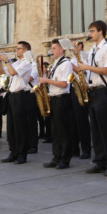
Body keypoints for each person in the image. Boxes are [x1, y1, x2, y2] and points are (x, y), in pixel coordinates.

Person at [79, 20, 107, 177]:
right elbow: (91, 72)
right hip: (94, 91)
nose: (90, 34)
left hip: (104, 91)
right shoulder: (93, 49)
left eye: (92, 30)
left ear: (101, 31)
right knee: (95, 129)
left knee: (105, 129)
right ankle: (99, 161)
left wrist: (87, 67)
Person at [40, 39, 74, 169]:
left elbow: (64, 84)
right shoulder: (55, 64)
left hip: (62, 99)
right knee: (55, 130)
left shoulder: (66, 64)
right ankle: (56, 156)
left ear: (61, 50)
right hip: (54, 98)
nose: (51, 51)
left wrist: (46, 80)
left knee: (63, 130)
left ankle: (65, 159)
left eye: (54, 48)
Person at [1, 43, 34, 164]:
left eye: (18, 48)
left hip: (20, 96)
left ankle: (22, 154)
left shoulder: (27, 62)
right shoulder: (16, 62)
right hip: (11, 95)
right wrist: (1, 62)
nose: (16, 50)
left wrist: (7, 61)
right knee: (11, 127)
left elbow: (13, 72)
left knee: (20, 126)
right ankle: (13, 151)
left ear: (26, 50)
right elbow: (2, 72)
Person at [69, 41, 91, 160]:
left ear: (80, 47)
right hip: (73, 90)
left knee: (82, 121)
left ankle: (86, 149)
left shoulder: (85, 57)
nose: (72, 49)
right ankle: (74, 148)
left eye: (74, 46)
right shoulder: (71, 59)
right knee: (72, 121)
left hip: (82, 89)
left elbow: (82, 71)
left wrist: (71, 65)